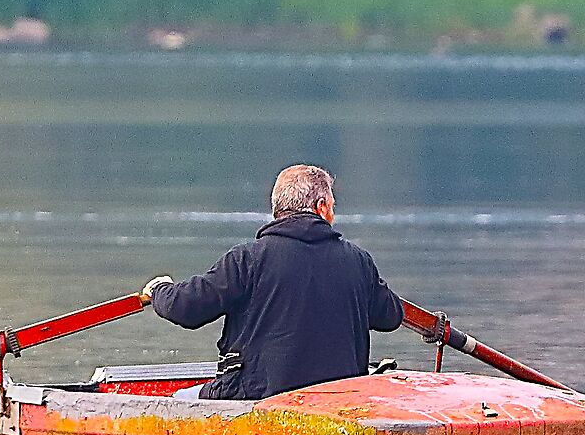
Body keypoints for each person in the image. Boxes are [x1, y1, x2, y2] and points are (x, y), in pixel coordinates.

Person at [142, 165, 404, 400]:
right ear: (321, 207)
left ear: (277, 208)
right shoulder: (358, 261)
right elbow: (390, 317)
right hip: (338, 403)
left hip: (256, 396)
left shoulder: (247, 259)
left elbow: (186, 308)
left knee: (177, 400)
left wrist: (159, 290)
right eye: (333, 206)